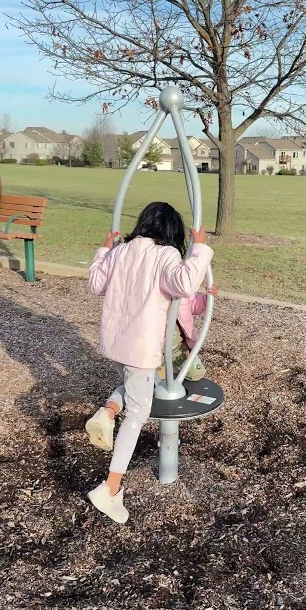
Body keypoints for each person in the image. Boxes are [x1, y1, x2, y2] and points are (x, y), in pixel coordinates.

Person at [82, 202, 214, 523]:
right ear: (172, 232)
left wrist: (103, 250)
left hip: (115, 345)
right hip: (139, 350)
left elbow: (95, 284)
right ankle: (110, 489)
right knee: (137, 414)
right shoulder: (165, 255)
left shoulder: (121, 252)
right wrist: (200, 249)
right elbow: (184, 285)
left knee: (133, 387)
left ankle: (107, 410)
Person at [156, 284, 220, 383]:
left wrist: (207, 299)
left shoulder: (180, 287)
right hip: (156, 350)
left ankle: (175, 369)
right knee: (160, 382)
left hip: (178, 347)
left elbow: (193, 305)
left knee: (196, 374)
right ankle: (162, 369)